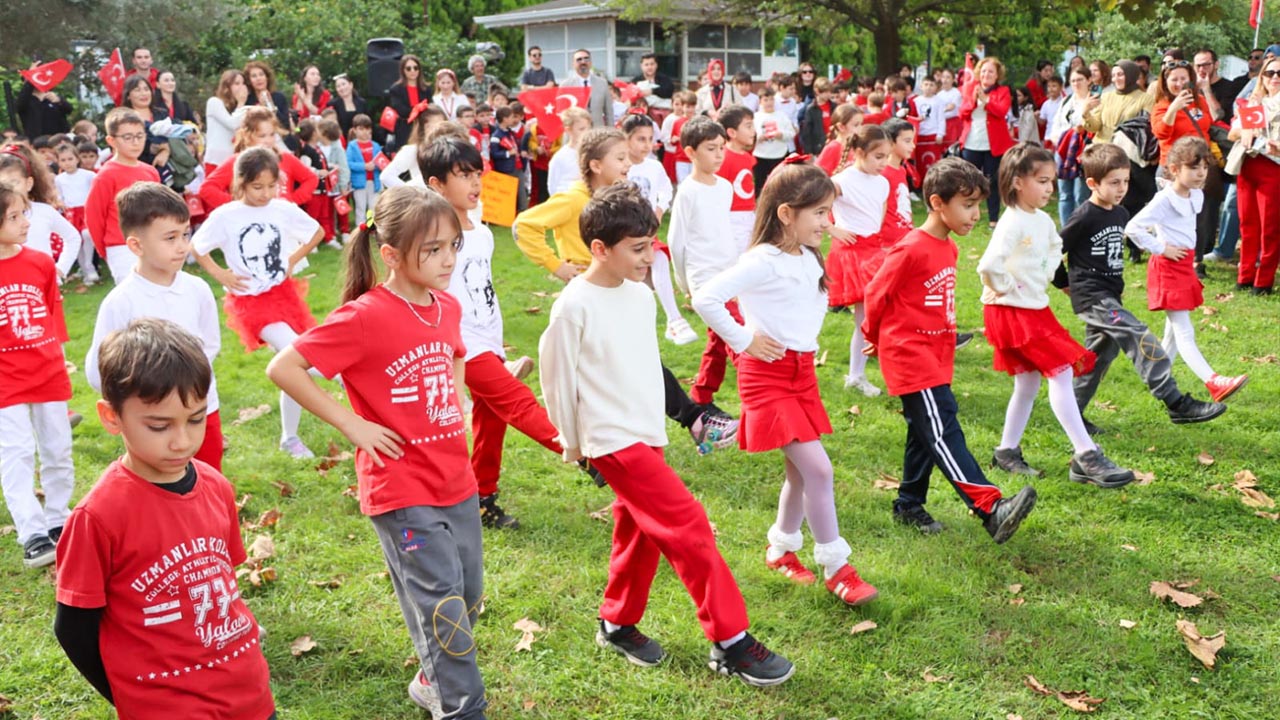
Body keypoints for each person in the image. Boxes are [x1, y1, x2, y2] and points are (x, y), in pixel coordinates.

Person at [538, 181, 794, 686]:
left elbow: (645, 366)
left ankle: (616, 623)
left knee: (639, 532)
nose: (650, 257)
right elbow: (557, 380)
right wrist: (575, 445)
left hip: (645, 432)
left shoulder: (639, 295)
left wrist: (679, 418)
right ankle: (731, 641)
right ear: (599, 248)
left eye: (651, 245)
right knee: (689, 525)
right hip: (611, 440)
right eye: (637, 249)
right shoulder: (573, 306)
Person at [267, 187, 486, 717]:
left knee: (468, 595)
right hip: (401, 487)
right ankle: (462, 706)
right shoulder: (364, 317)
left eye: (452, 246)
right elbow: (284, 367)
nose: (448, 260)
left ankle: (431, 679)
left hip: (456, 478)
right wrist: (352, 424)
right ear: (390, 254)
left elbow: (456, 353)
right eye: (432, 250)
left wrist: (456, 398)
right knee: (443, 605)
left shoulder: (447, 305)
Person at [55, 319, 275, 718]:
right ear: (111, 417)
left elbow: (223, 582)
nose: (183, 441)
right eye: (159, 425)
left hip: (250, 695)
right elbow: (73, 629)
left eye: (196, 419)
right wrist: (131, 695)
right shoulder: (97, 516)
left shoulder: (216, 485)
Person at [692, 162, 879, 606]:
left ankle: (780, 550)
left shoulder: (807, 256)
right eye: (819, 213)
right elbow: (705, 297)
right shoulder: (762, 260)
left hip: (802, 375)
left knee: (799, 473)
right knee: (819, 470)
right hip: (767, 377)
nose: (827, 222)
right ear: (786, 214)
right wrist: (744, 340)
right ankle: (837, 567)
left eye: (829, 212)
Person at [516, 126, 741, 452]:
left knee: (642, 358)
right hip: (593, 293)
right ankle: (615, 444)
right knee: (614, 368)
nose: (628, 164)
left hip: (618, 288)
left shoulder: (617, 199)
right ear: (595, 165)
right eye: (620, 158)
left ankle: (684, 422)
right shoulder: (573, 199)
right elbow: (524, 225)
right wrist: (556, 265)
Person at [861, 157, 1038, 543]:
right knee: (942, 429)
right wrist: (873, 335)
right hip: (910, 356)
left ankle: (909, 505)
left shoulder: (949, 248)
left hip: (936, 355)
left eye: (978, 206)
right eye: (967, 205)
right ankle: (990, 507)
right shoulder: (910, 248)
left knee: (923, 432)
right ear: (937, 203)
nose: (975, 215)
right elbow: (875, 294)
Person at [416, 139, 560, 529]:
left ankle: (482, 498)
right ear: (436, 184)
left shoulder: (482, 233)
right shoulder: (432, 239)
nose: (476, 183)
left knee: (491, 420)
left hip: (487, 337)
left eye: (477, 174)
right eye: (464, 176)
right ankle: (584, 454)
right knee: (516, 401)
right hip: (459, 343)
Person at [977, 143, 1133, 486]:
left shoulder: (1042, 219)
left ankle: (1006, 451)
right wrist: (1007, 286)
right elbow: (988, 266)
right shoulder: (1012, 221)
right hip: (1011, 311)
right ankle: (1086, 455)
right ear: (1017, 182)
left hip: (1032, 307)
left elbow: (1054, 248)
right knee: (1060, 372)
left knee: (1028, 382)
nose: (1050, 188)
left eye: (1052, 181)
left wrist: (1045, 272)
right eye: (1042, 181)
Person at [1054, 143, 1228, 430]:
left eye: (1125, 181)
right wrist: (1064, 284)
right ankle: (1175, 402)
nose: (1122, 188)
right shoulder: (1084, 216)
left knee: (1098, 357)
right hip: (1092, 297)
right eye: (1114, 183)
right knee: (1137, 333)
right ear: (1092, 184)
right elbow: (1052, 251)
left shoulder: (1120, 214)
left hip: (1110, 295)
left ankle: (1072, 415)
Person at [192, 147, 325, 458]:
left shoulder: (281, 209)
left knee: (292, 367)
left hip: (284, 296)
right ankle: (343, 374)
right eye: (257, 187)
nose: (265, 194)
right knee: (298, 354)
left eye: (271, 186)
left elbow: (316, 232)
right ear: (240, 183)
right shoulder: (226, 216)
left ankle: (289, 437)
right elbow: (197, 246)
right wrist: (220, 274)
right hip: (251, 303)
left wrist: (292, 259)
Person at [84, 183, 222, 469]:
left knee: (208, 477)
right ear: (136, 245)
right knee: (159, 485)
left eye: (185, 234)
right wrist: (139, 406)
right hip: (153, 422)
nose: (182, 246)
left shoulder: (198, 289)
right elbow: (99, 369)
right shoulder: (120, 302)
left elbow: (209, 345)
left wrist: (191, 392)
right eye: (170, 238)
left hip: (201, 411)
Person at [1125, 137, 1249, 402]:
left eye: (1204, 167)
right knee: (1184, 330)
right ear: (1174, 169)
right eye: (1193, 168)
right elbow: (1133, 228)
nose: (1201, 173)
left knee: (1172, 333)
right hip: (1167, 268)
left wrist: (1191, 258)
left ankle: (1157, 379)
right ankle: (1213, 381)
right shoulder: (1164, 199)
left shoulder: (1196, 195)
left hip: (1183, 266)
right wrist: (1161, 248)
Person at [0, 182, 74, 569]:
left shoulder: (41, 262)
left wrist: (58, 357)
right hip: (5, 380)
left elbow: (50, 313)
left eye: (24, 213)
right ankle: (32, 533)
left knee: (57, 448)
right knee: (16, 452)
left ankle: (58, 519)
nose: (25, 222)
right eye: (14, 217)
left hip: (46, 371)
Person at [669, 117, 741, 407]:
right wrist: (684, 283)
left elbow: (724, 231)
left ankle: (701, 396)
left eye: (722, 147)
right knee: (738, 339)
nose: (719, 155)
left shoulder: (725, 187)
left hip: (729, 274)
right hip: (703, 278)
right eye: (711, 149)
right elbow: (676, 242)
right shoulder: (687, 192)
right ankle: (758, 395)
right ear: (690, 152)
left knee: (719, 339)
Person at [620, 113, 696, 345]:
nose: (647, 145)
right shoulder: (620, 167)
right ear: (626, 139)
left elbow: (665, 190)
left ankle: (674, 320)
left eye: (650, 139)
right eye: (640, 139)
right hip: (623, 232)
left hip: (647, 232)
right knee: (632, 284)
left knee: (660, 260)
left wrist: (660, 211)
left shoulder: (654, 166)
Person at [827, 125, 892, 396]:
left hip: (873, 252)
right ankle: (856, 375)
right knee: (864, 317)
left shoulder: (883, 182)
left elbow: (879, 216)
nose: (884, 163)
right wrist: (832, 228)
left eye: (887, 156)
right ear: (859, 152)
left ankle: (859, 373)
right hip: (851, 254)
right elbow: (810, 203)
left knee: (875, 316)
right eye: (878, 156)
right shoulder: (842, 181)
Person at [85, 109, 163, 282]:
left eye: (140, 136)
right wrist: (105, 251)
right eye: (128, 137)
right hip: (121, 247)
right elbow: (94, 217)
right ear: (111, 140)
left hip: (151, 243)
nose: (135, 142)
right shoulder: (106, 175)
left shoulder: (150, 172)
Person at [198, 107, 319, 213]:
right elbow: (207, 189)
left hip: (281, 221)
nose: (268, 140)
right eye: (262, 136)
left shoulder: (285, 158)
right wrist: (236, 205)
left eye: (272, 135)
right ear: (248, 135)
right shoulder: (237, 162)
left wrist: (292, 201)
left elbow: (311, 179)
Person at [1227, 54, 1280, 293]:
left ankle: (1264, 281)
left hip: (1273, 168)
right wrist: (1246, 131)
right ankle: (1245, 275)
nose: (1275, 77)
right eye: (1269, 73)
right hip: (1247, 166)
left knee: (1270, 228)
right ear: (1262, 77)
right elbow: (1232, 133)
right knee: (1247, 225)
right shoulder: (1253, 103)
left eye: (1279, 73)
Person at [1083, 60, 1156, 218]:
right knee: (1101, 198)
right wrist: (1086, 112)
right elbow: (1095, 126)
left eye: (1121, 74)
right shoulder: (1106, 97)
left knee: (1128, 202)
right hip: (1102, 155)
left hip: (1127, 157)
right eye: (1114, 75)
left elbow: (1146, 127)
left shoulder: (1145, 99)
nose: (1116, 79)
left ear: (1131, 75)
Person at [0, 142, 80, 280]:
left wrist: (60, 269)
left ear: (28, 183)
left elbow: (72, 237)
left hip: (43, 281)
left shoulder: (44, 212)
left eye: (14, 182)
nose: (10, 189)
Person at [959, 57, 1015, 227]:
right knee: (969, 181)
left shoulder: (1003, 91)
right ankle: (966, 215)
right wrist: (973, 101)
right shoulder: (971, 89)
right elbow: (962, 113)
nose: (986, 74)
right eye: (983, 71)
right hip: (972, 142)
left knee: (992, 182)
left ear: (997, 75)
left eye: (991, 71)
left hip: (994, 145)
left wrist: (986, 101)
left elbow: (1001, 111)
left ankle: (993, 219)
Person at [1048, 67, 1098, 225]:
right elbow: (1057, 123)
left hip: (1083, 151)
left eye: (1080, 80)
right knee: (1064, 194)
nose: (1076, 83)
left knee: (1080, 195)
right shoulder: (1067, 100)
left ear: (1089, 80)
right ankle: (1066, 229)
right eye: (1073, 81)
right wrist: (1059, 139)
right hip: (1064, 150)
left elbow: (1090, 125)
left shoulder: (1094, 100)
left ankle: (1080, 228)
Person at [54, 142, 98, 283]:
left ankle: (89, 264)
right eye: (63, 160)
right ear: (58, 162)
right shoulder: (59, 179)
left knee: (87, 234)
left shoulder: (88, 175)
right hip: (71, 213)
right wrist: (60, 203)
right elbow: (59, 196)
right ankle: (85, 271)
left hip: (86, 210)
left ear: (77, 159)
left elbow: (95, 192)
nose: (67, 163)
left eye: (70, 159)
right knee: (75, 240)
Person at [717, 105, 757, 255]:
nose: (753, 131)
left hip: (749, 213)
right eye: (748, 126)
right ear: (732, 132)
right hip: (732, 216)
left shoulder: (747, 157)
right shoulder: (723, 158)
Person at [119, 75, 169, 171]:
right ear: (128, 95)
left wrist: (166, 151)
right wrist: (160, 147)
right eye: (137, 90)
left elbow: (173, 137)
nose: (143, 94)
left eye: (146, 89)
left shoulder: (162, 114)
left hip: (167, 169)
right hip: (137, 168)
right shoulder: (124, 119)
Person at [205, 70, 250, 173]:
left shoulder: (239, 108)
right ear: (227, 86)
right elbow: (233, 124)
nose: (242, 87)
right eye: (237, 83)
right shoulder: (214, 102)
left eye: (243, 83)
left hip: (233, 159)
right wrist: (241, 103)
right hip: (216, 160)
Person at [751, 88, 796, 189]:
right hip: (760, 155)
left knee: (779, 184)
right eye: (766, 100)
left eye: (771, 99)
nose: (769, 103)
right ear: (760, 102)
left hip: (778, 154)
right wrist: (758, 138)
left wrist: (781, 134)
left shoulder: (782, 116)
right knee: (759, 184)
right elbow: (749, 136)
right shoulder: (755, 117)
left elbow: (791, 133)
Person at [387, 55, 433, 152]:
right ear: (403, 70)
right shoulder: (396, 89)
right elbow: (400, 110)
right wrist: (419, 108)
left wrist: (420, 110)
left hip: (424, 127)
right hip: (404, 129)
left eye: (415, 68)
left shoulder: (426, 88)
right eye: (408, 68)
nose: (413, 71)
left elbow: (430, 107)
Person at [346, 114, 383, 226]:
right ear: (354, 130)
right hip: (359, 183)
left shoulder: (375, 145)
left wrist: (376, 165)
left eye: (367, 129)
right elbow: (349, 163)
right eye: (361, 129)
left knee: (373, 207)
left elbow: (381, 161)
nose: (365, 132)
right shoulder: (352, 146)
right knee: (360, 207)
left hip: (374, 182)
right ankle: (360, 228)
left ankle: (371, 227)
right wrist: (364, 166)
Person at [560, 49, 613, 127]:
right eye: (579, 59)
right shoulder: (565, 85)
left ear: (591, 63)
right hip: (577, 131)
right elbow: (562, 114)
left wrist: (611, 132)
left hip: (598, 131)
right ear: (573, 64)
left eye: (586, 59)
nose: (583, 62)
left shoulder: (602, 83)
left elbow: (609, 113)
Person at [547, 107, 592, 195]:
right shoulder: (560, 157)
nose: (586, 132)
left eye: (588, 128)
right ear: (568, 130)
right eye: (581, 129)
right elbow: (553, 186)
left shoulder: (593, 151)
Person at [16, 70, 73, 138]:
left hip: (58, 138)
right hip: (37, 139)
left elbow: (69, 109)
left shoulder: (52, 96)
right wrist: (29, 79)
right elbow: (19, 106)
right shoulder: (26, 100)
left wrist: (59, 101)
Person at [244, 60, 292, 135]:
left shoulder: (279, 97)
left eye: (261, 75)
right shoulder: (247, 100)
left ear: (267, 77)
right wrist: (260, 106)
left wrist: (271, 106)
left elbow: (285, 125)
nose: (258, 79)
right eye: (254, 76)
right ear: (249, 81)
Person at [815, 104, 865, 175]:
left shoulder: (856, 146)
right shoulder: (833, 148)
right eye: (856, 125)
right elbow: (818, 174)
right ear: (841, 127)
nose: (861, 128)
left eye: (861, 124)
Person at [659, 91, 696, 184]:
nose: (690, 110)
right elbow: (672, 140)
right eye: (687, 107)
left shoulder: (697, 121)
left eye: (692, 107)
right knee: (681, 183)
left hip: (694, 158)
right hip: (681, 158)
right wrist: (674, 139)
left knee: (694, 183)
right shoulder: (677, 122)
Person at [326, 73, 371, 143]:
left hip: (362, 140)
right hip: (341, 142)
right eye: (338, 86)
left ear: (351, 85)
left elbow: (369, 123)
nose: (341, 88)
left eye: (343, 84)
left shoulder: (362, 103)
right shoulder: (332, 105)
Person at [798, 77, 835, 154]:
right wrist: (809, 152)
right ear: (817, 91)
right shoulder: (811, 109)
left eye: (830, 91)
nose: (828, 94)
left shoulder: (834, 106)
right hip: (818, 147)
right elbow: (807, 133)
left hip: (833, 144)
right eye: (825, 92)